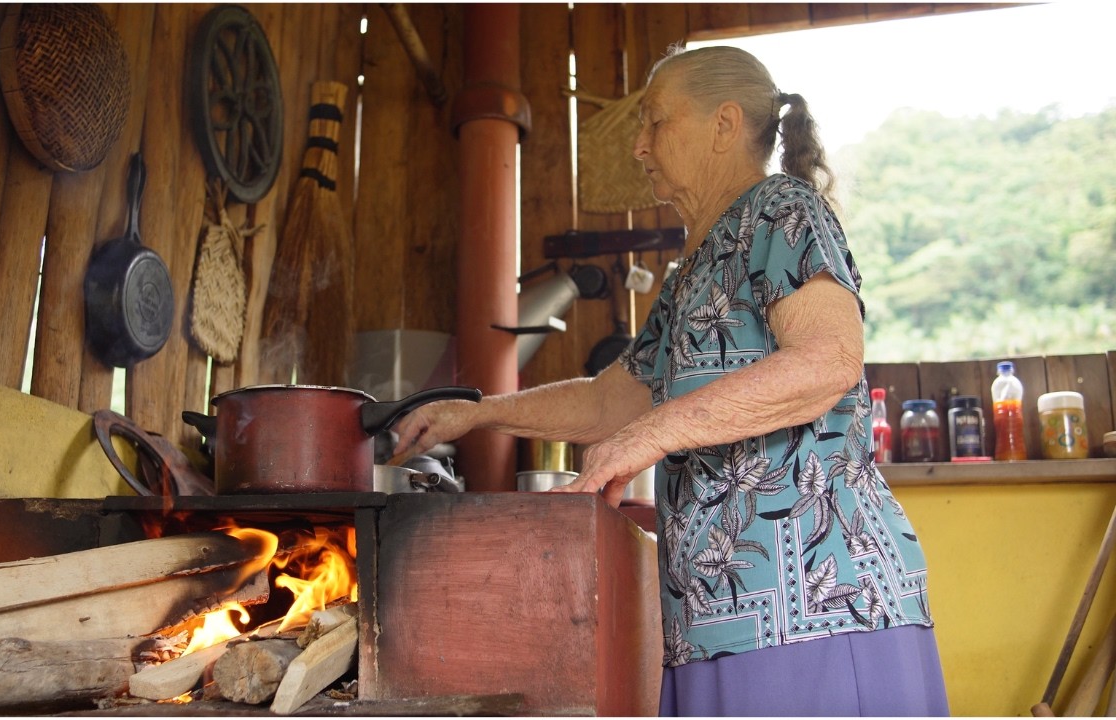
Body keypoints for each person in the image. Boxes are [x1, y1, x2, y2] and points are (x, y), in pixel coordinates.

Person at [393, 44, 948, 716]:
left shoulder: (781, 211)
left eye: (656, 122)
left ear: (722, 124)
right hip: (712, 622)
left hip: (818, 608)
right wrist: (475, 413)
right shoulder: (689, 276)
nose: (639, 146)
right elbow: (609, 401)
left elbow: (827, 360)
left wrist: (651, 434)